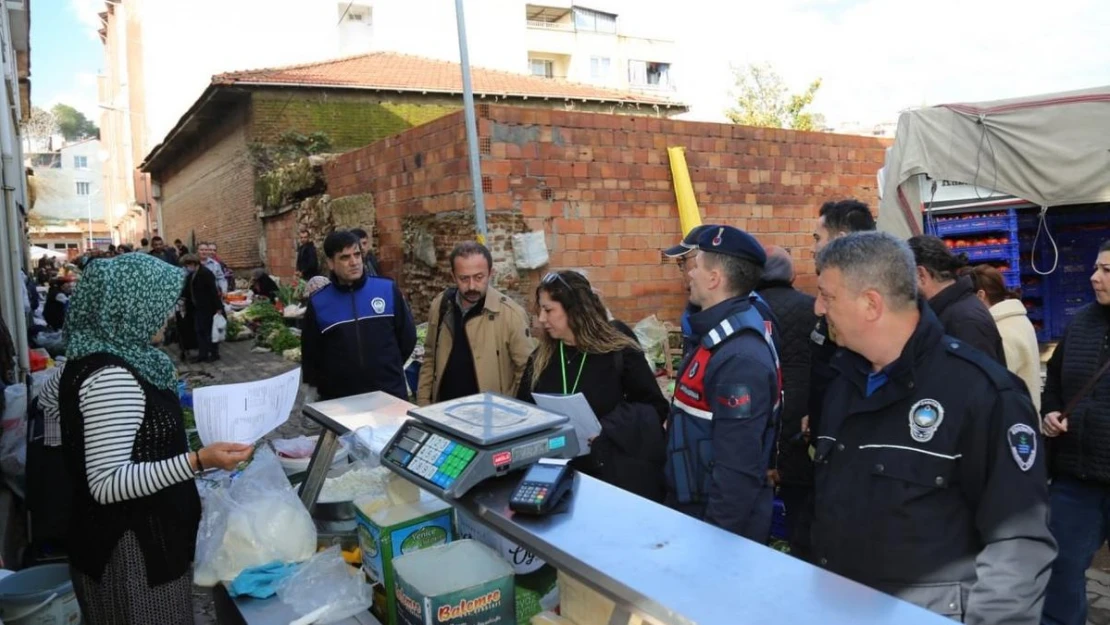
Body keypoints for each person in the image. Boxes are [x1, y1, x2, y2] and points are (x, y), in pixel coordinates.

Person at [810, 231, 1055, 623]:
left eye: (828, 296)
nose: (819, 309)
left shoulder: (983, 393)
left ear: (871, 303)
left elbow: (1018, 542)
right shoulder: (844, 384)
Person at [57, 253, 252, 624]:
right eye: (160, 303)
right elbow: (106, 482)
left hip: (129, 541)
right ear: (132, 307)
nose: (169, 313)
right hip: (132, 554)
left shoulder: (95, 355)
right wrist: (199, 461)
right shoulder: (112, 376)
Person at [664, 226, 783, 541]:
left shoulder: (739, 358)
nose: (690, 274)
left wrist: (715, 541)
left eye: (697, 266)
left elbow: (737, 471)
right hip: (692, 509)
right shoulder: (715, 337)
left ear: (715, 279)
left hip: (714, 526)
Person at [516, 270, 668, 501]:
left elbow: (654, 407)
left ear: (574, 309)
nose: (541, 319)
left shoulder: (618, 349)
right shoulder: (541, 358)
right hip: (557, 480)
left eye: (548, 310)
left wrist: (608, 429)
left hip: (612, 481)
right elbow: (523, 410)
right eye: (540, 310)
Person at [1040, 240, 1110, 625]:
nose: (1094, 276)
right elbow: (1054, 382)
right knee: (1061, 572)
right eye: (1097, 267)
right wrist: (1051, 411)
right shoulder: (1080, 322)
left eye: (1107, 271)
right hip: (1076, 480)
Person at [301, 230, 417, 401]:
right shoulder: (319, 302)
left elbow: (407, 338)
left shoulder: (386, 290)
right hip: (341, 400)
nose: (354, 262)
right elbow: (311, 354)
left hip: (388, 394)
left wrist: (386, 367)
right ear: (331, 263)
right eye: (345, 257)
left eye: (357, 255)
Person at [756, 245, 816, 558]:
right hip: (802, 411)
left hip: (760, 409)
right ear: (792, 275)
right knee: (800, 501)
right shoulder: (811, 307)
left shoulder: (749, 310)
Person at [417, 242, 533, 405]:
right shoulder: (440, 306)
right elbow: (429, 358)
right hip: (444, 412)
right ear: (453, 276)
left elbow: (526, 373)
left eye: (479, 277)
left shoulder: (511, 315)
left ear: (490, 273)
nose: (472, 286)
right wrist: (423, 404)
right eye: (464, 278)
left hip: (492, 418)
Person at [809, 199, 876, 437]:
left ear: (840, 239)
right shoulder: (840, 289)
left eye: (818, 238)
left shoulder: (864, 300)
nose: (813, 248)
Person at [908, 235, 1006, 365]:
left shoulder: (965, 322)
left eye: (904, 277)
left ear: (921, 275)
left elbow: (976, 383)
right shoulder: (949, 311)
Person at [964, 264, 1041, 410]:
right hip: (1026, 415)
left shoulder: (1000, 331)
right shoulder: (1017, 319)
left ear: (981, 295)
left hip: (1013, 419)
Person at [181, 254, 225, 363]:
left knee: (209, 331)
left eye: (188, 265)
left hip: (208, 307)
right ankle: (203, 354)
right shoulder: (192, 275)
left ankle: (214, 353)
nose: (187, 267)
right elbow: (187, 290)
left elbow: (213, 292)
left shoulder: (205, 274)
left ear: (193, 264)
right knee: (199, 331)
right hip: (197, 307)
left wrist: (218, 307)